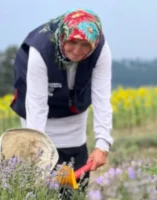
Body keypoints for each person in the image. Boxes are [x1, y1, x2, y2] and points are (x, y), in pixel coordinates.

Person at [10, 8, 113, 191]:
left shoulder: (100, 49)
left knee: (71, 174)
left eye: (85, 45)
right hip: (39, 112)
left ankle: (69, 193)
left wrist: (102, 144)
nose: (77, 51)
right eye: (72, 42)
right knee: (41, 178)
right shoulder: (40, 50)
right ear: (63, 38)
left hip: (72, 113)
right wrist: (36, 148)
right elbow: (37, 104)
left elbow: (102, 98)